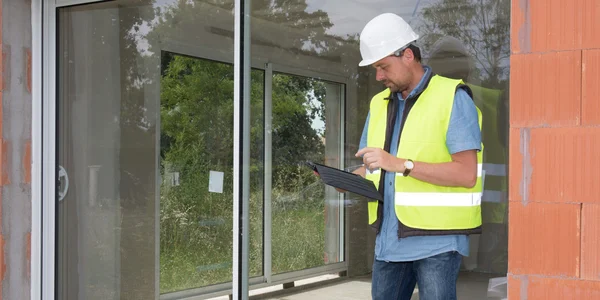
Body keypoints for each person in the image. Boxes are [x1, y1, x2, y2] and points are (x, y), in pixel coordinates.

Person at [350, 13, 484, 300]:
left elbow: (466, 174)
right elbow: (374, 168)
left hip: (437, 243)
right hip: (389, 242)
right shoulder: (379, 104)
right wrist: (346, 180)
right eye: (376, 68)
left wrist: (400, 164)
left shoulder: (453, 97)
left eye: (384, 66)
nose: (379, 76)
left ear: (408, 55)